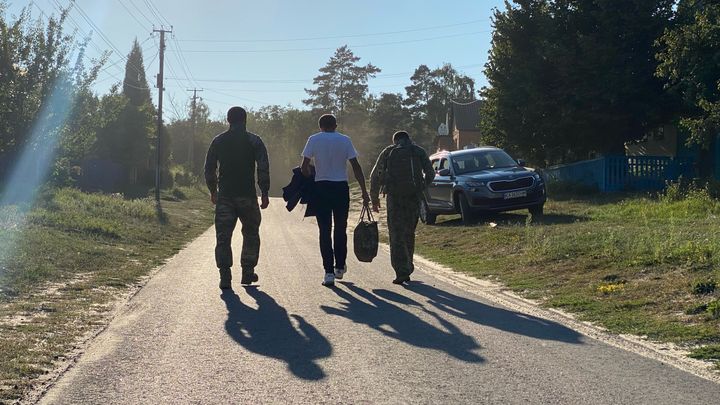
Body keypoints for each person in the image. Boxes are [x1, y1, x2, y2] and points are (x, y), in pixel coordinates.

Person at [204, 106, 270, 289]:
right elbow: (263, 167)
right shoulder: (254, 141)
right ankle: (247, 272)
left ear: (228, 120)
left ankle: (225, 276)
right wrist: (264, 192)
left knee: (223, 237)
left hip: (225, 196)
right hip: (247, 196)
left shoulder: (218, 141)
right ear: (245, 120)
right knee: (250, 233)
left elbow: (209, 168)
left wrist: (213, 190)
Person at [301, 114, 370, 287]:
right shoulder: (345, 140)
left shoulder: (314, 139)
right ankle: (339, 266)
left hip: (321, 188)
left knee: (324, 230)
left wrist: (309, 176)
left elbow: (304, 167)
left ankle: (328, 273)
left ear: (320, 126)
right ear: (336, 125)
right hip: (340, 188)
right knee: (340, 228)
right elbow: (356, 166)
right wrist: (364, 191)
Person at [370, 131, 434, 284]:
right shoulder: (418, 151)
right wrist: (422, 186)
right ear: (408, 138)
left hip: (394, 198)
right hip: (413, 197)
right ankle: (408, 265)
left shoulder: (388, 152)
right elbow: (430, 172)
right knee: (409, 232)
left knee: (396, 234)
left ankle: (401, 270)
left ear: (395, 140)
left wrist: (374, 198)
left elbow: (375, 175)